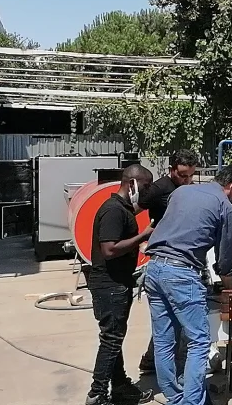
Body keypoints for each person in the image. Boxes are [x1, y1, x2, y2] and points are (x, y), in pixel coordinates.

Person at [143, 164, 232, 405]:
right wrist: (229, 286)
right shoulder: (226, 207)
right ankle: (191, 402)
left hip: (155, 268)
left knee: (163, 340)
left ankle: (175, 397)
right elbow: (225, 259)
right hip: (182, 273)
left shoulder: (181, 192)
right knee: (200, 342)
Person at [86, 164, 155, 405]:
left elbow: (131, 213)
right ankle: (97, 393)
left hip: (117, 282)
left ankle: (120, 386)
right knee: (111, 339)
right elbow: (109, 249)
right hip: (109, 284)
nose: (146, 193)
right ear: (132, 184)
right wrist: (143, 236)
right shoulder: (113, 211)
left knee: (114, 337)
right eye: (145, 187)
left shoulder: (122, 208)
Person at [137, 149, 199, 375]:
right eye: (183, 175)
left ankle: (151, 360)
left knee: (170, 319)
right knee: (175, 318)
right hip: (164, 258)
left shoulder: (189, 189)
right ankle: (176, 372)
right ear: (172, 170)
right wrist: (141, 240)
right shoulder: (159, 189)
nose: (187, 180)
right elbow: (132, 210)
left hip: (183, 254)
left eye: (191, 175)